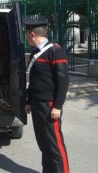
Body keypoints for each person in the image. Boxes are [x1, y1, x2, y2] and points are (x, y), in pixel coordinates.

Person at [23, 19, 69, 173]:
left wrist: (57, 106)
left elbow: (63, 82)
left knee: (54, 144)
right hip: (36, 104)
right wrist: (29, 100)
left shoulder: (55, 51)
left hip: (49, 105)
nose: (26, 38)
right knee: (43, 143)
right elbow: (34, 81)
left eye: (27, 35)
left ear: (32, 34)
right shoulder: (35, 53)